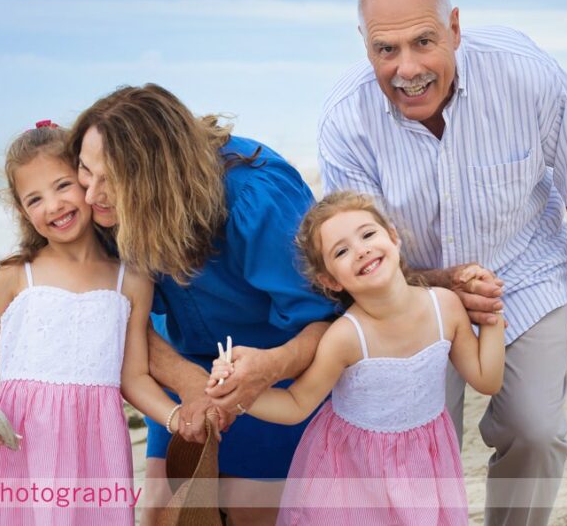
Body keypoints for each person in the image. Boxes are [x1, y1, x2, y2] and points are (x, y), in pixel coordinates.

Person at [318, 0, 567, 525]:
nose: (407, 68)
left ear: (454, 28)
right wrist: (438, 285)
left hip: (523, 274)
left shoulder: (529, 75)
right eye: (386, 50)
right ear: (364, 45)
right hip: (407, 295)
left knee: (536, 432)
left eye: (424, 42)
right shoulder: (345, 120)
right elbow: (358, 251)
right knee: (420, 452)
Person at [69, 85, 337, 525]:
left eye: (111, 181)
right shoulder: (99, 207)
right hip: (183, 364)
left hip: (280, 372)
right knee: (162, 508)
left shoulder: (256, 196)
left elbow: (327, 320)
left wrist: (266, 370)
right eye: (85, 170)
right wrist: (189, 382)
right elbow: (119, 317)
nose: (91, 194)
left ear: (157, 178)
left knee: (253, 510)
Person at [209, 191, 505, 524]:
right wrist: (239, 394)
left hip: (426, 460)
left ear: (393, 237)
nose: (361, 250)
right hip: (353, 470)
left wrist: (493, 316)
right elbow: (296, 403)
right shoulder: (347, 337)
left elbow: (487, 379)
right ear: (330, 280)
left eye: (368, 234)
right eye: (342, 251)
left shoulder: (445, 306)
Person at [0, 121, 185, 525]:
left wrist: (175, 418)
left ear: (87, 180)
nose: (53, 206)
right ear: (22, 211)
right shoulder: (16, 275)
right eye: (34, 199)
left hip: (93, 452)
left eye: (63, 185)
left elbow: (133, 377)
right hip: (19, 449)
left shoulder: (130, 279)